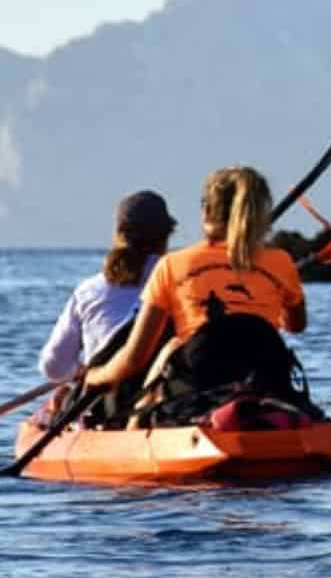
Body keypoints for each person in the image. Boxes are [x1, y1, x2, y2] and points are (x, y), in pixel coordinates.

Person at [84, 165, 306, 407]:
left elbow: (135, 359)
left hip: (197, 386)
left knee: (171, 348)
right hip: (267, 381)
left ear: (207, 210)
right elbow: (295, 325)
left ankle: (133, 432)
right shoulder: (282, 262)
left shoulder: (173, 265)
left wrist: (97, 376)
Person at [38, 190, 176, 381]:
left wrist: (80, 373)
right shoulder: (181, 285)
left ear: (119, 234)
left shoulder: (89, 291)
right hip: (164, 397)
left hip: (104, 399)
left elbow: (53, 365)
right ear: (166, 236)